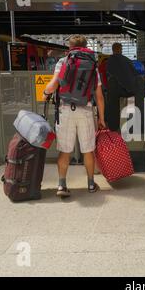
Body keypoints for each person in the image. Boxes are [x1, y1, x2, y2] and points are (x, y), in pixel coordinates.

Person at [43, 35, 106, 198]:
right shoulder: (93, 65)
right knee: (88, 151)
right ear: (85, 46)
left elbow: (54, 84)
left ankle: (62, 185)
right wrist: (101, 119)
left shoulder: (62, 62)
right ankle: (91, 184)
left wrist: (45, 92)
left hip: (65, 110)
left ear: (69, 48)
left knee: (64, 151)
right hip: (85, 110)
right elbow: (99, 96)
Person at [105, 43, 144, 131]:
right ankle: (140, 124)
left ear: (112, 49)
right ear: (121, 49)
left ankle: (113, 126)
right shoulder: (127, 60)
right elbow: (135, 73)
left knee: (113, 105)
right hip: (130, 89)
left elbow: (108, 75)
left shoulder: (110, 60)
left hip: (116, 90)